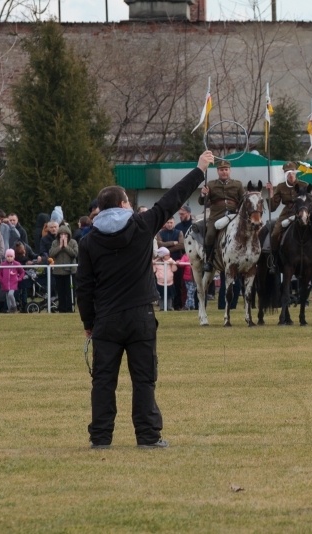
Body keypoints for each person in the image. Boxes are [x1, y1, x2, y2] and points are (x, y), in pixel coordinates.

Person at [76, 150, 214, 450]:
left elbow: (83, 287)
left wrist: (88, 322)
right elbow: (172, 199)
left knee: (102, 381)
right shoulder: (141, 225)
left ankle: (100, 438)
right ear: (124, 204)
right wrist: (200, 169)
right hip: (140, 316)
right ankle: (148, 436)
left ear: (100, 208)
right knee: (144, 379)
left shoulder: (88, 241)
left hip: (106, 318)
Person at [199, 159, 244, 273]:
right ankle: (208, 260)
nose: (224, 172)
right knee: (209, 235)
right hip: (216, 215)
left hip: (234, 214)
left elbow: (243, 200)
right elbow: (201, 202)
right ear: (217, 171)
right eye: (221, 170)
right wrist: (203, 194)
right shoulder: (211, 184)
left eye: (226, 169)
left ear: (230, 171)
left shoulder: (237, 184)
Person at [266, 162, 300, 273]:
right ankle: (274, 260)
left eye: (292, 172)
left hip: (301, 211)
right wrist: (271, 192)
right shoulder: (281, 187)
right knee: (275, 233)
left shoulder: (303, 185)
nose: (291, 175)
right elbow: (272, 208)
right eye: (288, 173)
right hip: (287, 212)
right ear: (285, 174)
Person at [49, 224, 78, 313]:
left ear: (68, 235)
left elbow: (74, 254)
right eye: (61, 234)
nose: (63, 236)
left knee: (70, 292)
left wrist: (66, 247)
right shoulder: (55, 243)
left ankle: (70, 308)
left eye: (65, 234)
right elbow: (51, 253)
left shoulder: (73, 242)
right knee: (61, 292)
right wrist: (60, 247)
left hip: (69, 271)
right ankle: (62, 309)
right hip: (58, 271)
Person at [0, 248, 25, 313]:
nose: (9, 258)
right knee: (7, 297)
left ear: (13, 256)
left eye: (11, 256)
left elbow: (22, 272)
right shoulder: (3, 264)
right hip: (5, 284)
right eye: (8, 256)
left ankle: (14, 306)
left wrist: (19, 278)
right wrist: (2, 280)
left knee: (10, 294)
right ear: (5, 257)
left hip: (13, 283)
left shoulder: (17, 264)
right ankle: (10, 309)